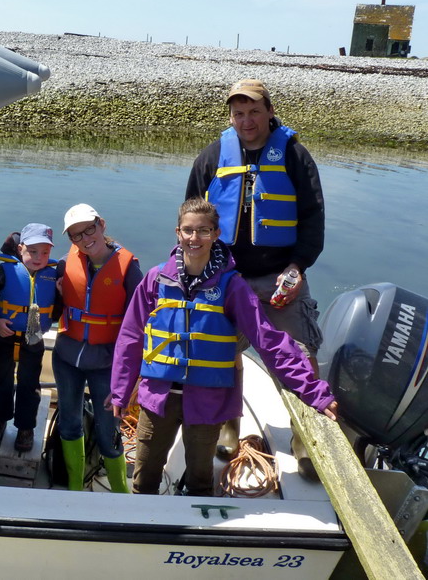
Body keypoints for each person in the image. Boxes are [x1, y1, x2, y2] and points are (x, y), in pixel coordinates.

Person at [110, 198, 338, 496]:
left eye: (203, 231)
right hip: (157, 401)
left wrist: (314, 392)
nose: (195, 238)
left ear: (216, 234)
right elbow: (130, 337)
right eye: (188, 231)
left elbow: (268, 340)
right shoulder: (156, 279)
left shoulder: (233, 287)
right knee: (144, 479)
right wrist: (120, 391)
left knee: (200, 481)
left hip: (207, 402)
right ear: (177, 232)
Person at [185, 78, 326, 471]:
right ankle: (231, 427)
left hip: (281, 277)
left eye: (254, 112)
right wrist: (194, 268)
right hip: (226, 279)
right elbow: (192, 215)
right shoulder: (214, 155)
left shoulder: (295, 156)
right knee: (223, 354)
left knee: (298, 356)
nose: (246, 121)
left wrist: (298, 266)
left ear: (269, 112)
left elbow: (313, 217)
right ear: (231, 116)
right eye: (238, 113)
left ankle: (305, 439)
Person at [54, 203, 143, 493]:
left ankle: (120, 492)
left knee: (108, 431)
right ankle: (75, 488)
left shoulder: (129, 267)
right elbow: (33, 273)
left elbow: (140, 325)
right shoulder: (64, 264)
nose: (84, 239)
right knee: (69, 423)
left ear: (101, 224)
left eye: (89, 229)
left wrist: (131, 379)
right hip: (67, 358)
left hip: (108, 364)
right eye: (76, 235)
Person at [0, 223, 60, 452]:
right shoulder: (3, 272)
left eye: (45, 252)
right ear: (20, 248)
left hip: (33, 341)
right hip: (5, 337)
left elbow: (59, 309)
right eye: (32, 251)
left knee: (29, 385)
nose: (39, 257)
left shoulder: (55, 276)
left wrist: (60, 295)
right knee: (1, 381)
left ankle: (25, 427)